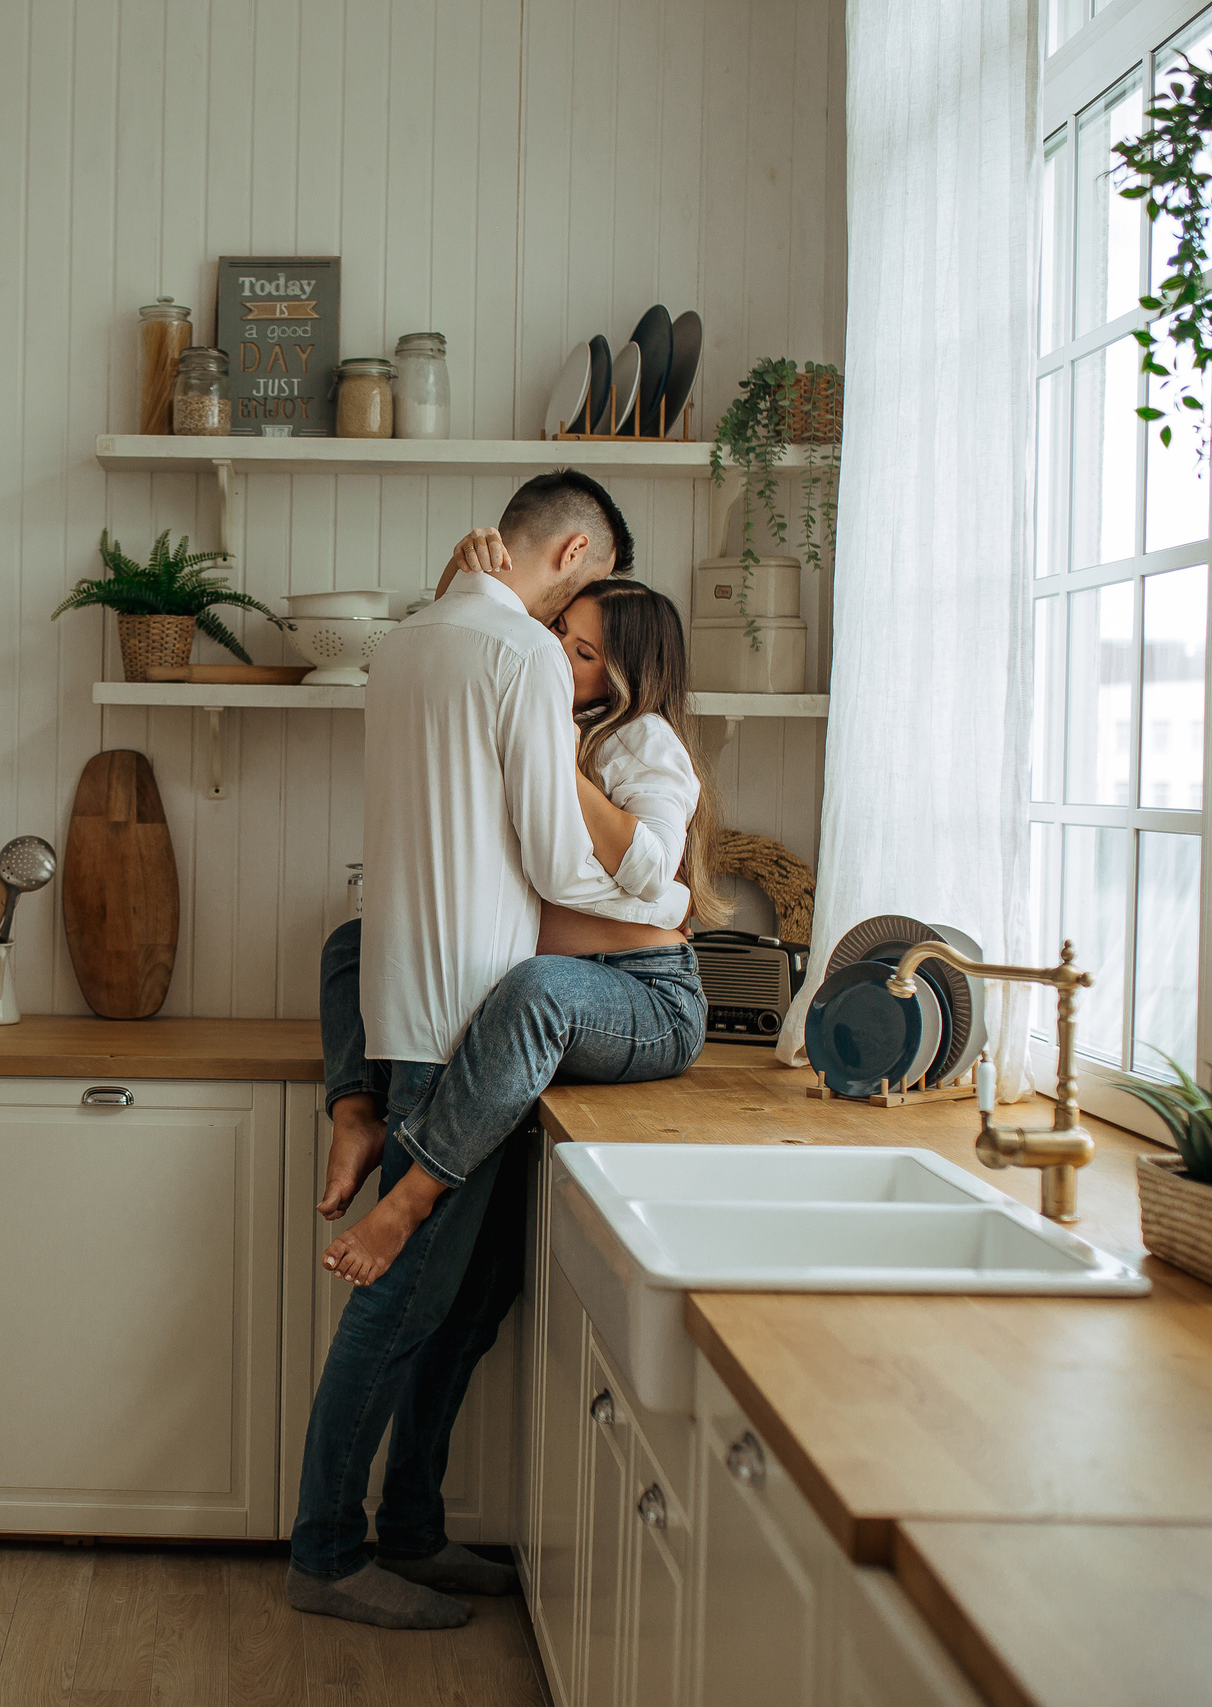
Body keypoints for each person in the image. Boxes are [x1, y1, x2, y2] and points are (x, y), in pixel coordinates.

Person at [286, 470, 640, 1631]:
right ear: (575, 550)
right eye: (594, 581)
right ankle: (329, 1556)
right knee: (399, 1307)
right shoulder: (523, 656)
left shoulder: (406, 642)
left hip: (409, 1011)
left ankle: (414, 1533)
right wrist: (660, 898)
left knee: (462, 1301)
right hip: (466, 1023)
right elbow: (550, 852)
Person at [319, 575, 724, 1285]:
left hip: (646, 998)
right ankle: (356, 1111)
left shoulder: (641, 739)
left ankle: (412, 1195)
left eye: (585, 651)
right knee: (354, 941)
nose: (558, 651)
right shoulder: (529, 702)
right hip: (546, 988)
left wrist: (568, 770)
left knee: (539, 989)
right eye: (559, 630)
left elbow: (655, 866)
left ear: (627, 674)